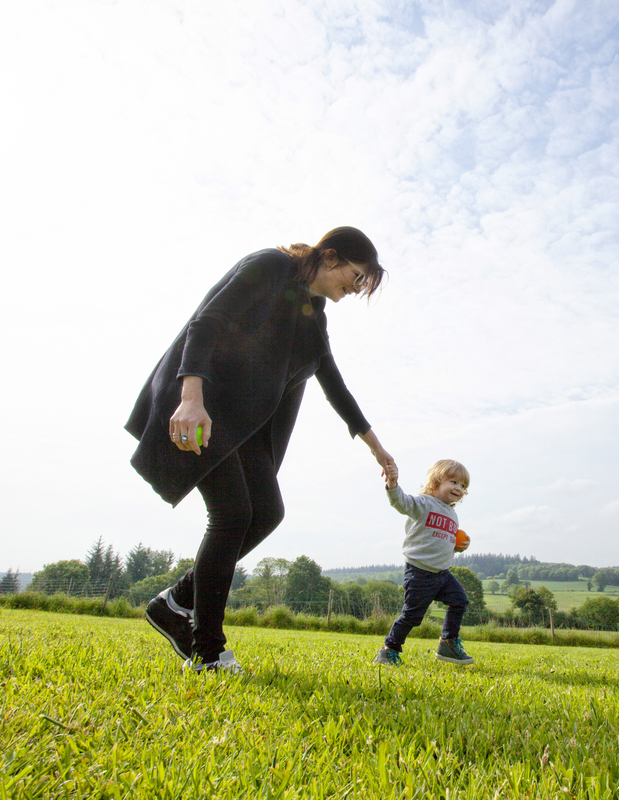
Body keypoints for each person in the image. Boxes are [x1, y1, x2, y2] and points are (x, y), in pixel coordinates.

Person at [126, 227, 396, 672]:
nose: (355, 288)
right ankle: (206, 651)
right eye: (356, 275)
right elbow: (207, 321)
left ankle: (176, 601)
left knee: (266, 511)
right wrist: (190, 397)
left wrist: (376, 448)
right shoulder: (270, 266)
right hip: (204, 404)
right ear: (330, 257)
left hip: (242, 428)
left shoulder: (314, 313)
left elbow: (333, 382)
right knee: (232, 515)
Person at [373, 459, 474, 667]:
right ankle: (388, 650)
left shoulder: (453, 514)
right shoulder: (424, 503)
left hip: (442, 574)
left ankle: (448, 643)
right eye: (453, 482)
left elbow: (440, 539)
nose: (459, 488)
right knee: (412, 616)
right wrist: (392, 484)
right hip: (419, 572)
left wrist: (456, 545)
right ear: (436, 481)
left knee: (460, 601)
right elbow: (401, 503)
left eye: (463, 486)